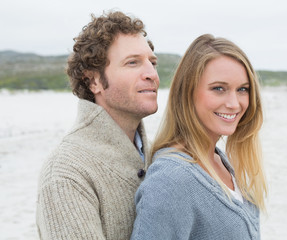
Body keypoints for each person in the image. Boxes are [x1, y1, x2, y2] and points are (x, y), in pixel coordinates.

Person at [36, 10, 159, 240]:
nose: (152, 74)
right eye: (133, 63)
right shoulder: (66, 174)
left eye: (152, 62)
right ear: (93, 81)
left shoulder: (157, 156)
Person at [131, 34, 267, 240]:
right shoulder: (171, 180)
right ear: (188, 92)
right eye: (219, 88)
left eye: (243, 89)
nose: (234, 103)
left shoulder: (222, 161)